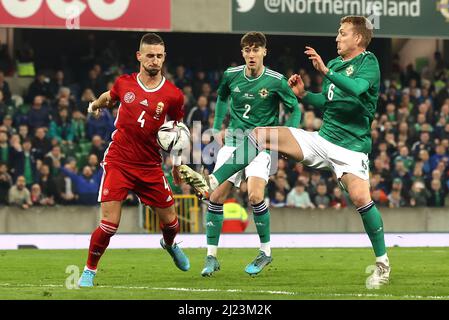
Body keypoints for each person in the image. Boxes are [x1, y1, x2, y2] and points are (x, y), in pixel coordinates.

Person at [180, 16, 390, 287]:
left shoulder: (368, 62)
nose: (337, 38)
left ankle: (382, 263)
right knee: (260, 135)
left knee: (362, 199)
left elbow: (359, 89)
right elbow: (326, 105)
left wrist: (326, 72)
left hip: (352, 148)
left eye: (342, 33)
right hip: (323, 139)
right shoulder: (337, 64)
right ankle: (213, 179)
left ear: (358, 39)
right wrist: (304, 95)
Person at [78, 33, 190, 288]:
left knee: (171, 222)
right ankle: (89, 271)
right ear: (139, 56)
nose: (155, 60)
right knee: (109, 224)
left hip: (150, 165)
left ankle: (170, 244)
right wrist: (95, 104)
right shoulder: (124, 83)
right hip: (119, 160)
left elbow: (178, 131)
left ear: (164, 58)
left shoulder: (173, 95)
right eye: (150, 55)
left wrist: (176, 162)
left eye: (159, 56)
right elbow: (110, 96)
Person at [191, 32, 300, 277]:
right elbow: (221, 98)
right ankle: (211, 257)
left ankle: (265, 251)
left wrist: (287, 137)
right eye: (247, 50)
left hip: (261, 145)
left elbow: (294, 108)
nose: (252, 54)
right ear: (242, 53)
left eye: (256, 50)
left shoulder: (276, 81)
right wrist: (217, 125)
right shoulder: (231, 76)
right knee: (216, 196)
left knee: (254, 195)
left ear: (264, 52)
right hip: (233, 141)